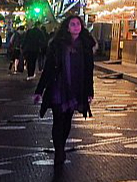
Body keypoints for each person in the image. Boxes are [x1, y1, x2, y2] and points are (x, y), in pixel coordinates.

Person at [34, 15, 95, 168]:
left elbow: (89, 71)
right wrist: (39, 90)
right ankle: (59, 150)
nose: (76, 26)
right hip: (58, 86)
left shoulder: (86, 46)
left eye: (78, 24)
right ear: (67, 27)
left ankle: (61, 145)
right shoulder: (57, 45)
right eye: (72, 24)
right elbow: (48, 69)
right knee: (58, 119)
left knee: (67, 120)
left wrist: (89, 90)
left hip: (76, 86)